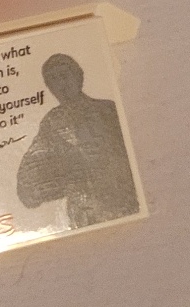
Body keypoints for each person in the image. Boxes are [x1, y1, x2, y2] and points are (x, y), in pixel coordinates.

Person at [15, 53, 140, 229]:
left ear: (78, 76)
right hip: (83, 215)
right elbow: (29, 178)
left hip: (124, 203)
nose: (61, 84)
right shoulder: (52, 122)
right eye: (53, 80)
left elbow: (136, 154)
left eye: (64, 75)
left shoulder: (108, 111)